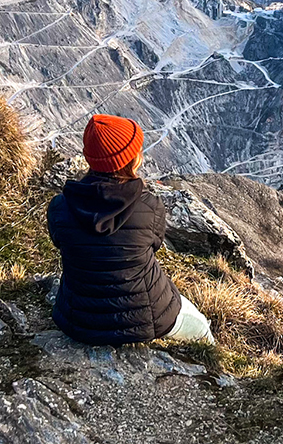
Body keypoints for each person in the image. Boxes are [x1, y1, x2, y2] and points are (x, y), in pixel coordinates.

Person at [46, 114, 215, 346]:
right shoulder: (149, 207)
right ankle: (211, 357)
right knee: (201, 328)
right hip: (146, 317)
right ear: (130, 160)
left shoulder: (60, 207)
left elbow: (59, 241)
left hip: (79, 319)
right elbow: (154, 245)